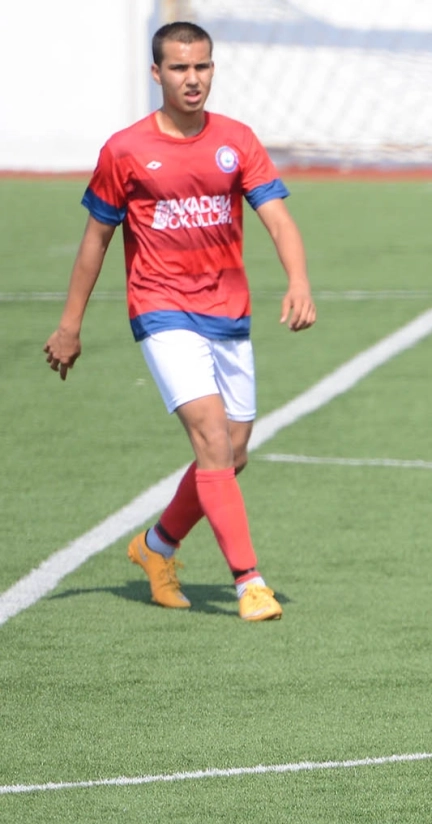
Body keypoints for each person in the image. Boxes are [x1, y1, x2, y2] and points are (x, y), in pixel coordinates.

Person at [42, 21, 315, 621]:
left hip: (228, 311)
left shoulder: (237, 140)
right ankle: (250, 583)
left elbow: (277, 218)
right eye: (179, 68)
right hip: (160, 309)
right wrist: (70, 324)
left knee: (233, 452)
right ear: (156, 73)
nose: (193, 79)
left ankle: (156, 547)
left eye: (202, 67)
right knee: (213, 442)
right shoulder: (124, 150)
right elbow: (96, 240)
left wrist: (298, 280)